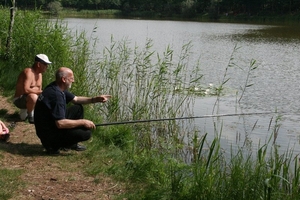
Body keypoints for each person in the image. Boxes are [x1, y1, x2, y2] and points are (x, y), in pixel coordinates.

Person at [34, 67, 111, 154]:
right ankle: (54, 146)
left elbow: (76, 99)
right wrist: (83, 122)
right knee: (86, 134)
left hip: (49, 124)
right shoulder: (56, 95)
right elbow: (60, 123)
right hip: (48, 135)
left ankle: (71, 143)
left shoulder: (56, 87)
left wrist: (95, 99)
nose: (73, 81)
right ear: (63, 79)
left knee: (78, 108)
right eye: (71, 78)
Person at [13, 54, 52, 124]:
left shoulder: (40, 74)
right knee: (33, 96)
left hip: (29, 99)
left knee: (46, 97)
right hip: (19, 99)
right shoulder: (28, 72)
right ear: (38, 64)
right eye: (45, 64)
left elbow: (39, 90)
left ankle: (28, 112)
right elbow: (26, 90)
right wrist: (40, 92)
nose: (47, 67)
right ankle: (31, 116)